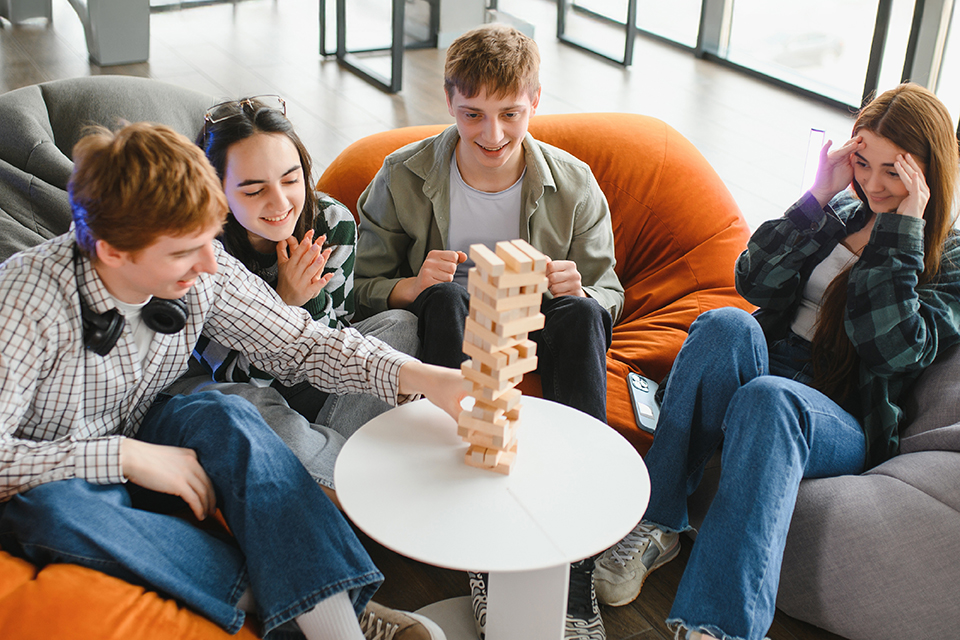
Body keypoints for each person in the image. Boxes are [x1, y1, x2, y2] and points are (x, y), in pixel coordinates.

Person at [0, 121, 463, 640]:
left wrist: (426, 378)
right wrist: (125, 456)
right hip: (54, 470)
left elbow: (299, 341)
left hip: (146, 424)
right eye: (183, 252)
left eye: (209, 239)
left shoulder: (205, 261)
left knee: (226, 412)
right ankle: (314, 608)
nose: (207, 264)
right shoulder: (22, 302)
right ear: (112, 252)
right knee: (50, 513)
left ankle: (337, 624)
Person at [593, 82, 960, 640]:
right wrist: (817, 195)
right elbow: (754, 281)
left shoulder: (947, 254)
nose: (873, 185)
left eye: (894, 172)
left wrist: (901, 231)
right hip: (769, 367)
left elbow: (893, 348)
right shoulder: (842, 210)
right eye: (864, 164)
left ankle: (719, 627)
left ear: (928, 173)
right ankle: (656, 522)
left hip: (839, 414)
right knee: (725, 323)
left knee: (771, 399)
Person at [353, 23, 624, 640]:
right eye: (472, 114)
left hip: (538, 326)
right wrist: (410, 286)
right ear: (448, 102)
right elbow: (358, 286)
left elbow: (610, 291)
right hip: (450, 329)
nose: (492, 134)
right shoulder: (402, 174)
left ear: (535, 102)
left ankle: (575, 555)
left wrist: (581, 291)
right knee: (448, 295)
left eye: (509, 114)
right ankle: (477, 529)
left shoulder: (573, 182)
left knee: (583, 314)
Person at [174, 95, 420, 500]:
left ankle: (325, 458)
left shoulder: (331, 222)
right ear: (217, 190)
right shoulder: (206, 249)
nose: (280, 203)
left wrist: (310, 301)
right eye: (254, 190)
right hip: (243, 384)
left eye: (291, 180)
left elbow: (339, 337)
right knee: (242, 404)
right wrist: (284, 303)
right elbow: (236, 376)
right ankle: (356, 480)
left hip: (322, 376)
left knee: (401, 325)